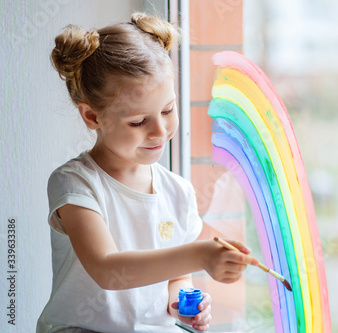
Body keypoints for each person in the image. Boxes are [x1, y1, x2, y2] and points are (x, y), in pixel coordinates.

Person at [37, 12, 257, 333]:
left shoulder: (178, 191)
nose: (159, 130)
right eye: (139, 121)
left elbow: (176, 277)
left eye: (168, 110)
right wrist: (200, 255)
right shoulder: (75, 184)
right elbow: (107, 271)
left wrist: (181, 303)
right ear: (92, 117)